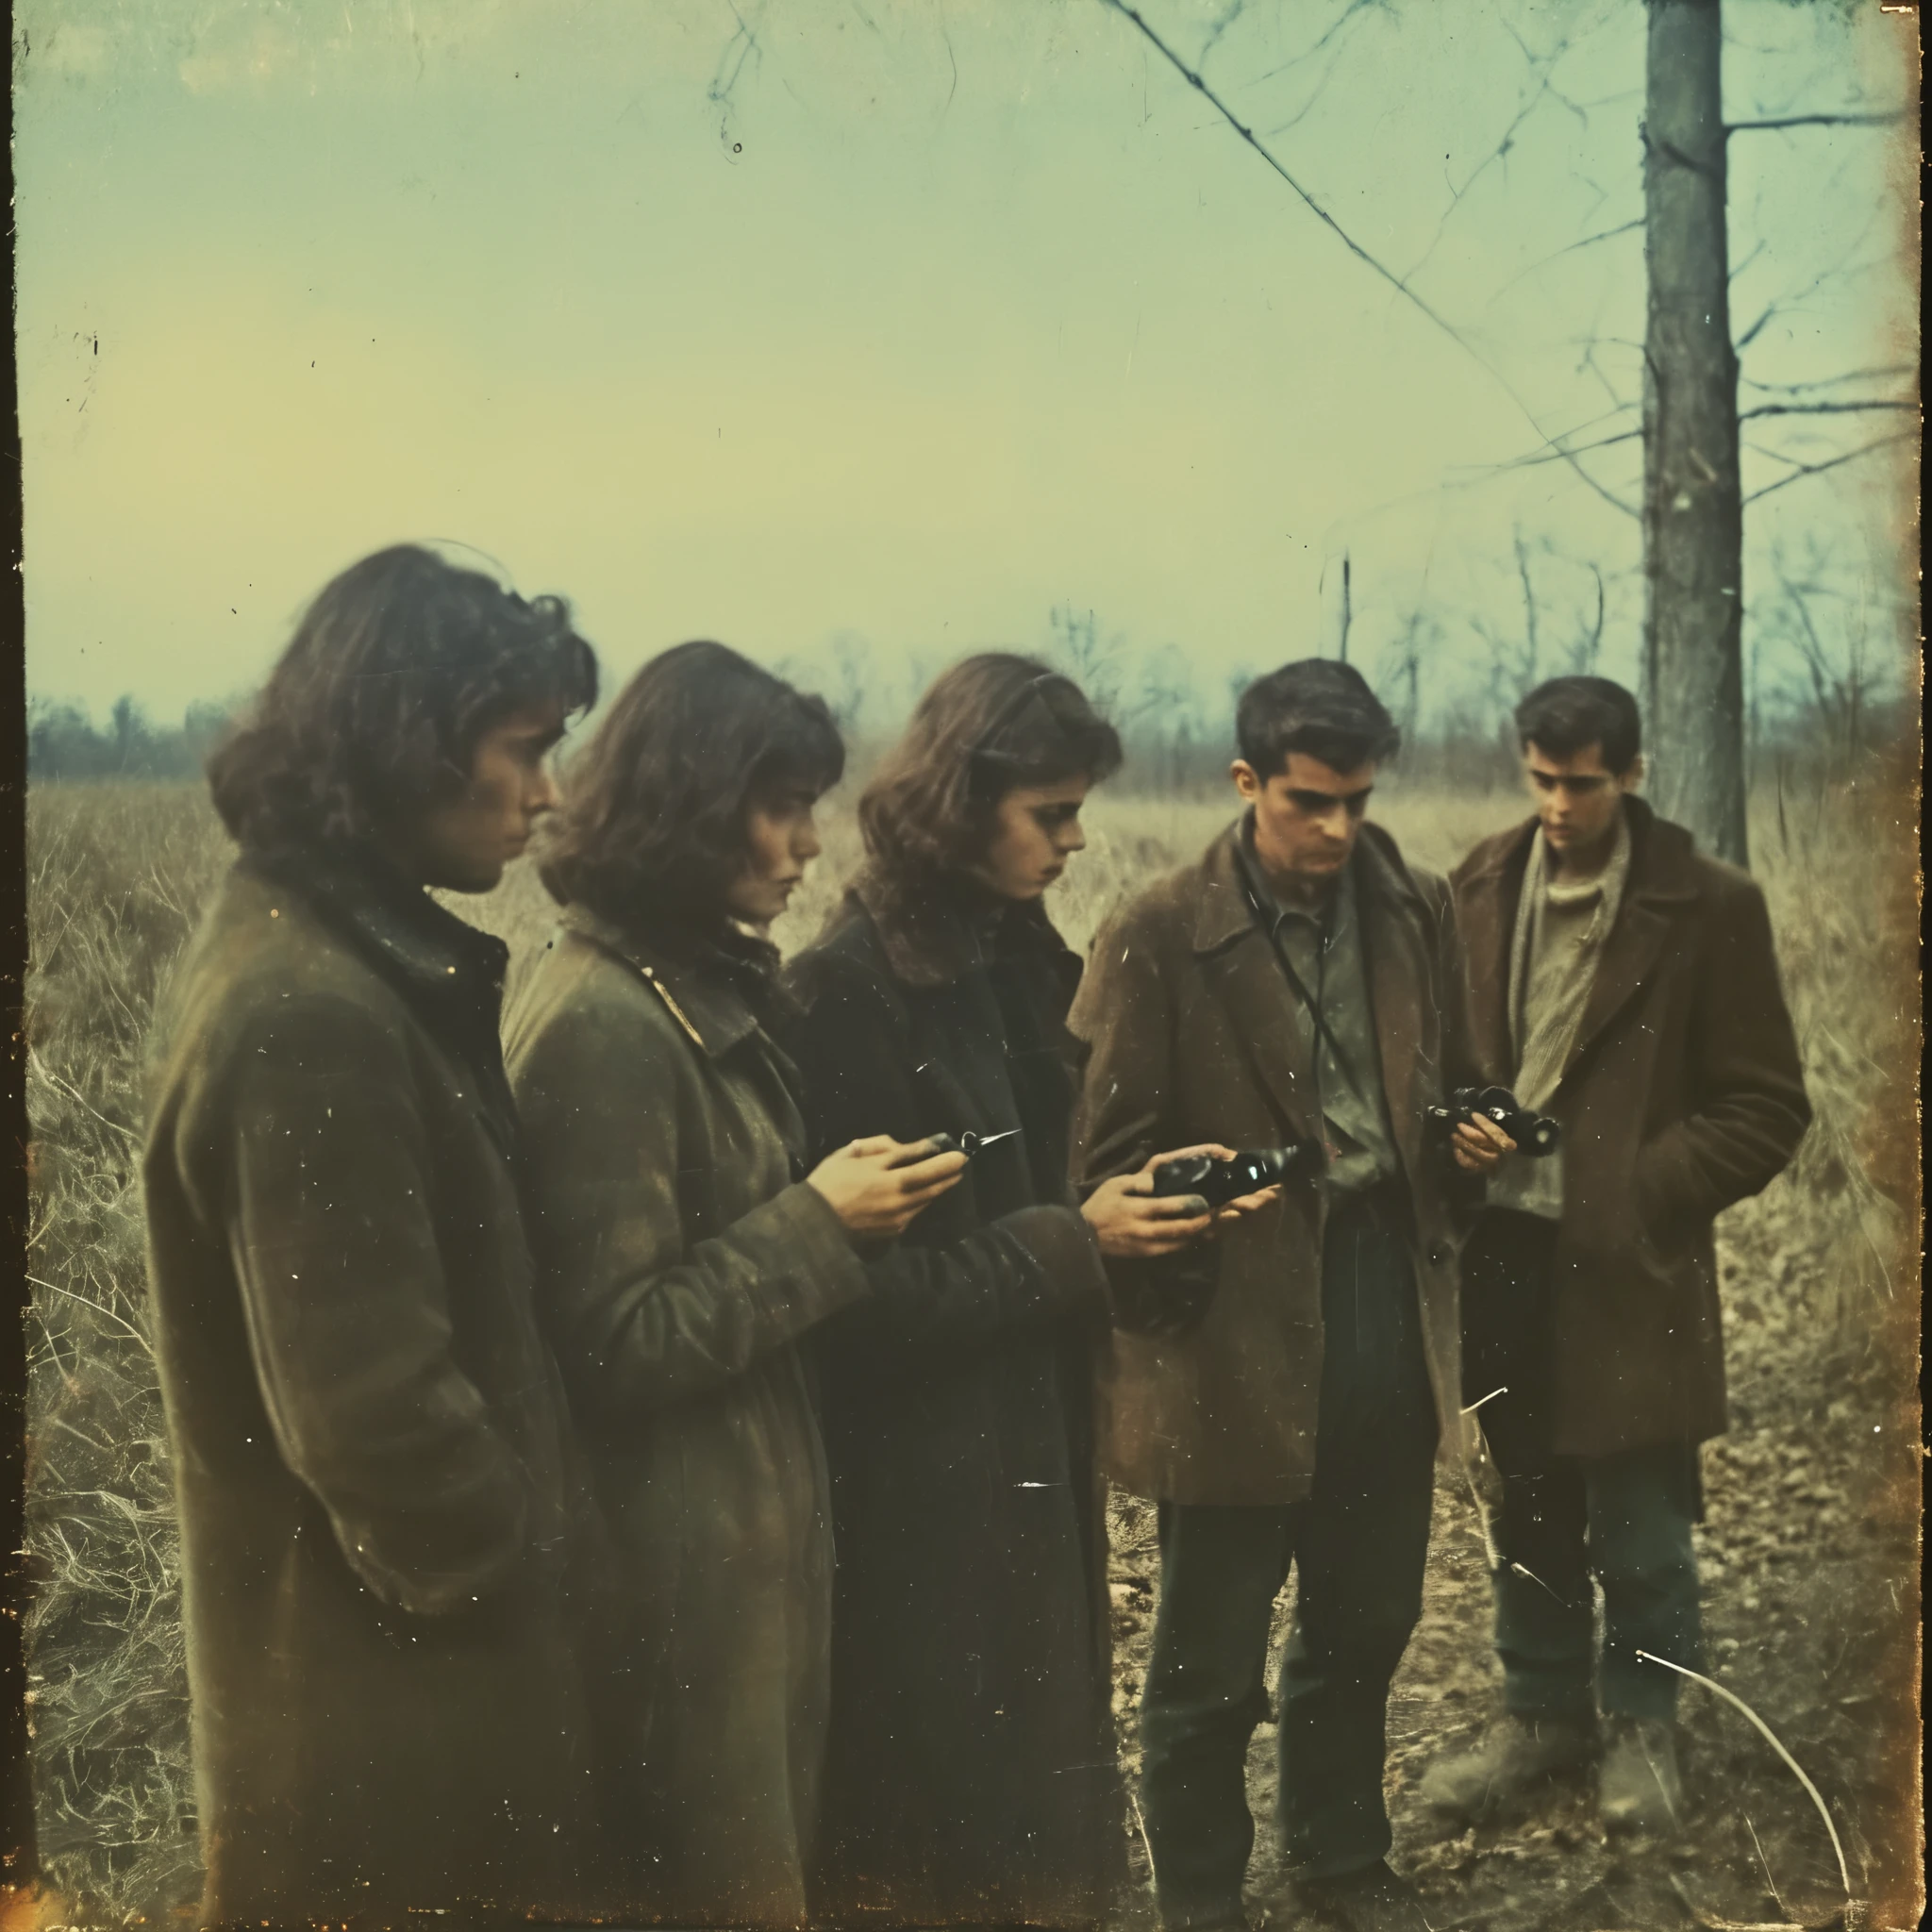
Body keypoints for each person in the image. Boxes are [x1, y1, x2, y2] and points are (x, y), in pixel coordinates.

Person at [141, 544, 602, 1925]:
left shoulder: (314, 953)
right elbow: (374, 1423)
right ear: (405, 743)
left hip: (385, 1704)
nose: (549, 792)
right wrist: (532, 1568)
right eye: (522, 750)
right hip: (391, 1735)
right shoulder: (316, 1010)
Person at [779, 655, 1255, 1928]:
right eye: (1049, 814)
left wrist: (1157, 1205)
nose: (1074, 839)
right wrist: (1075, 1243)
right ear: (956, 802)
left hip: (1033, 1460)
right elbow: (845, 1305)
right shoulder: (842, 995)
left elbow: (1065, 1190)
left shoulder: (1023, 967)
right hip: (912, 1505)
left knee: (1037, 1813)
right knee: (939, 1837)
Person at [505, 641, 964, 1928]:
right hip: (674, 1592)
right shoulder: (599, 1024)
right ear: (690, 811)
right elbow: (609, 1339)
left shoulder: (674, 989)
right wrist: (821, 1224)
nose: (810, 846)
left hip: (736, 1567)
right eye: (782, 808)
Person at [1068, 658, 1504, 1932]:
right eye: (1310, 802)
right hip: (1230, 1328)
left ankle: (1342, 1861)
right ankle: (1201, 1898)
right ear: (1245, 780)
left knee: (1365, 1618)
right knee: (1207, 1660)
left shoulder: (1415, 906)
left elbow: (1458, 1088)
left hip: (1385, 1298)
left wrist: (1467, 1149)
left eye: (1360, 800)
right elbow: (1098, 1166)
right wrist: (1190, 1198)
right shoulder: (1154, 929)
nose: (1339, 830)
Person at [1418, 676, 1809, 1835]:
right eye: (1538, 778)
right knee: (1525, 1502)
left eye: (1579, 782)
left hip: (1629, 1272)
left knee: (1639, 1515)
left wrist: (1638, 1189)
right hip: (1498, 1257)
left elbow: (1764, 1106)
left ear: (1629, 772)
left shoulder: (1707, 903)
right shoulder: (1472, 887)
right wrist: (1456, 1130)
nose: (1555, 803)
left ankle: (1645, 1718)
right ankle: (1543, 1712)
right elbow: (1433, 1070)